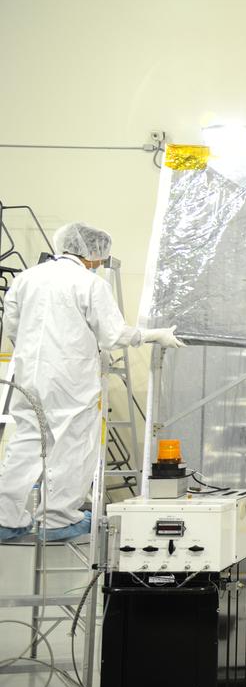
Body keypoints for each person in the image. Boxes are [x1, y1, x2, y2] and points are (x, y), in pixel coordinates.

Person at [0, 223, 183, 542]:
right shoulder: (89, 283)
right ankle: (57, 520)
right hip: (70, 379)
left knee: (27, 443)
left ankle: (5, 518)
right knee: (72, 445)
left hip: (28, 375)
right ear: (93, 254)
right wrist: (153, 334)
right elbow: (112, 335)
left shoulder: (27, 278)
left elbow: (12, 327)